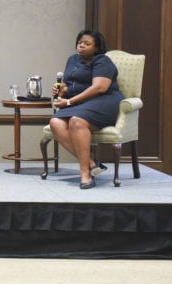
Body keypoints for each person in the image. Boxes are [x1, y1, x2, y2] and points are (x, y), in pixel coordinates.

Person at [49, 29, 123, 190]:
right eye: (80, 42)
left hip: (105, 101)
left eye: (87, 43)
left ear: (97, 48)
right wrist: (62, 90)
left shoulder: (102, 61)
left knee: (76, 122)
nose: (81, 45)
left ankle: (85, 173)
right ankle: (91, 163)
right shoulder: (72, 60)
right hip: (81, 103)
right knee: (55, 122)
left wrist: (68, 102)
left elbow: (99, 88)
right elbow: (69, 84)